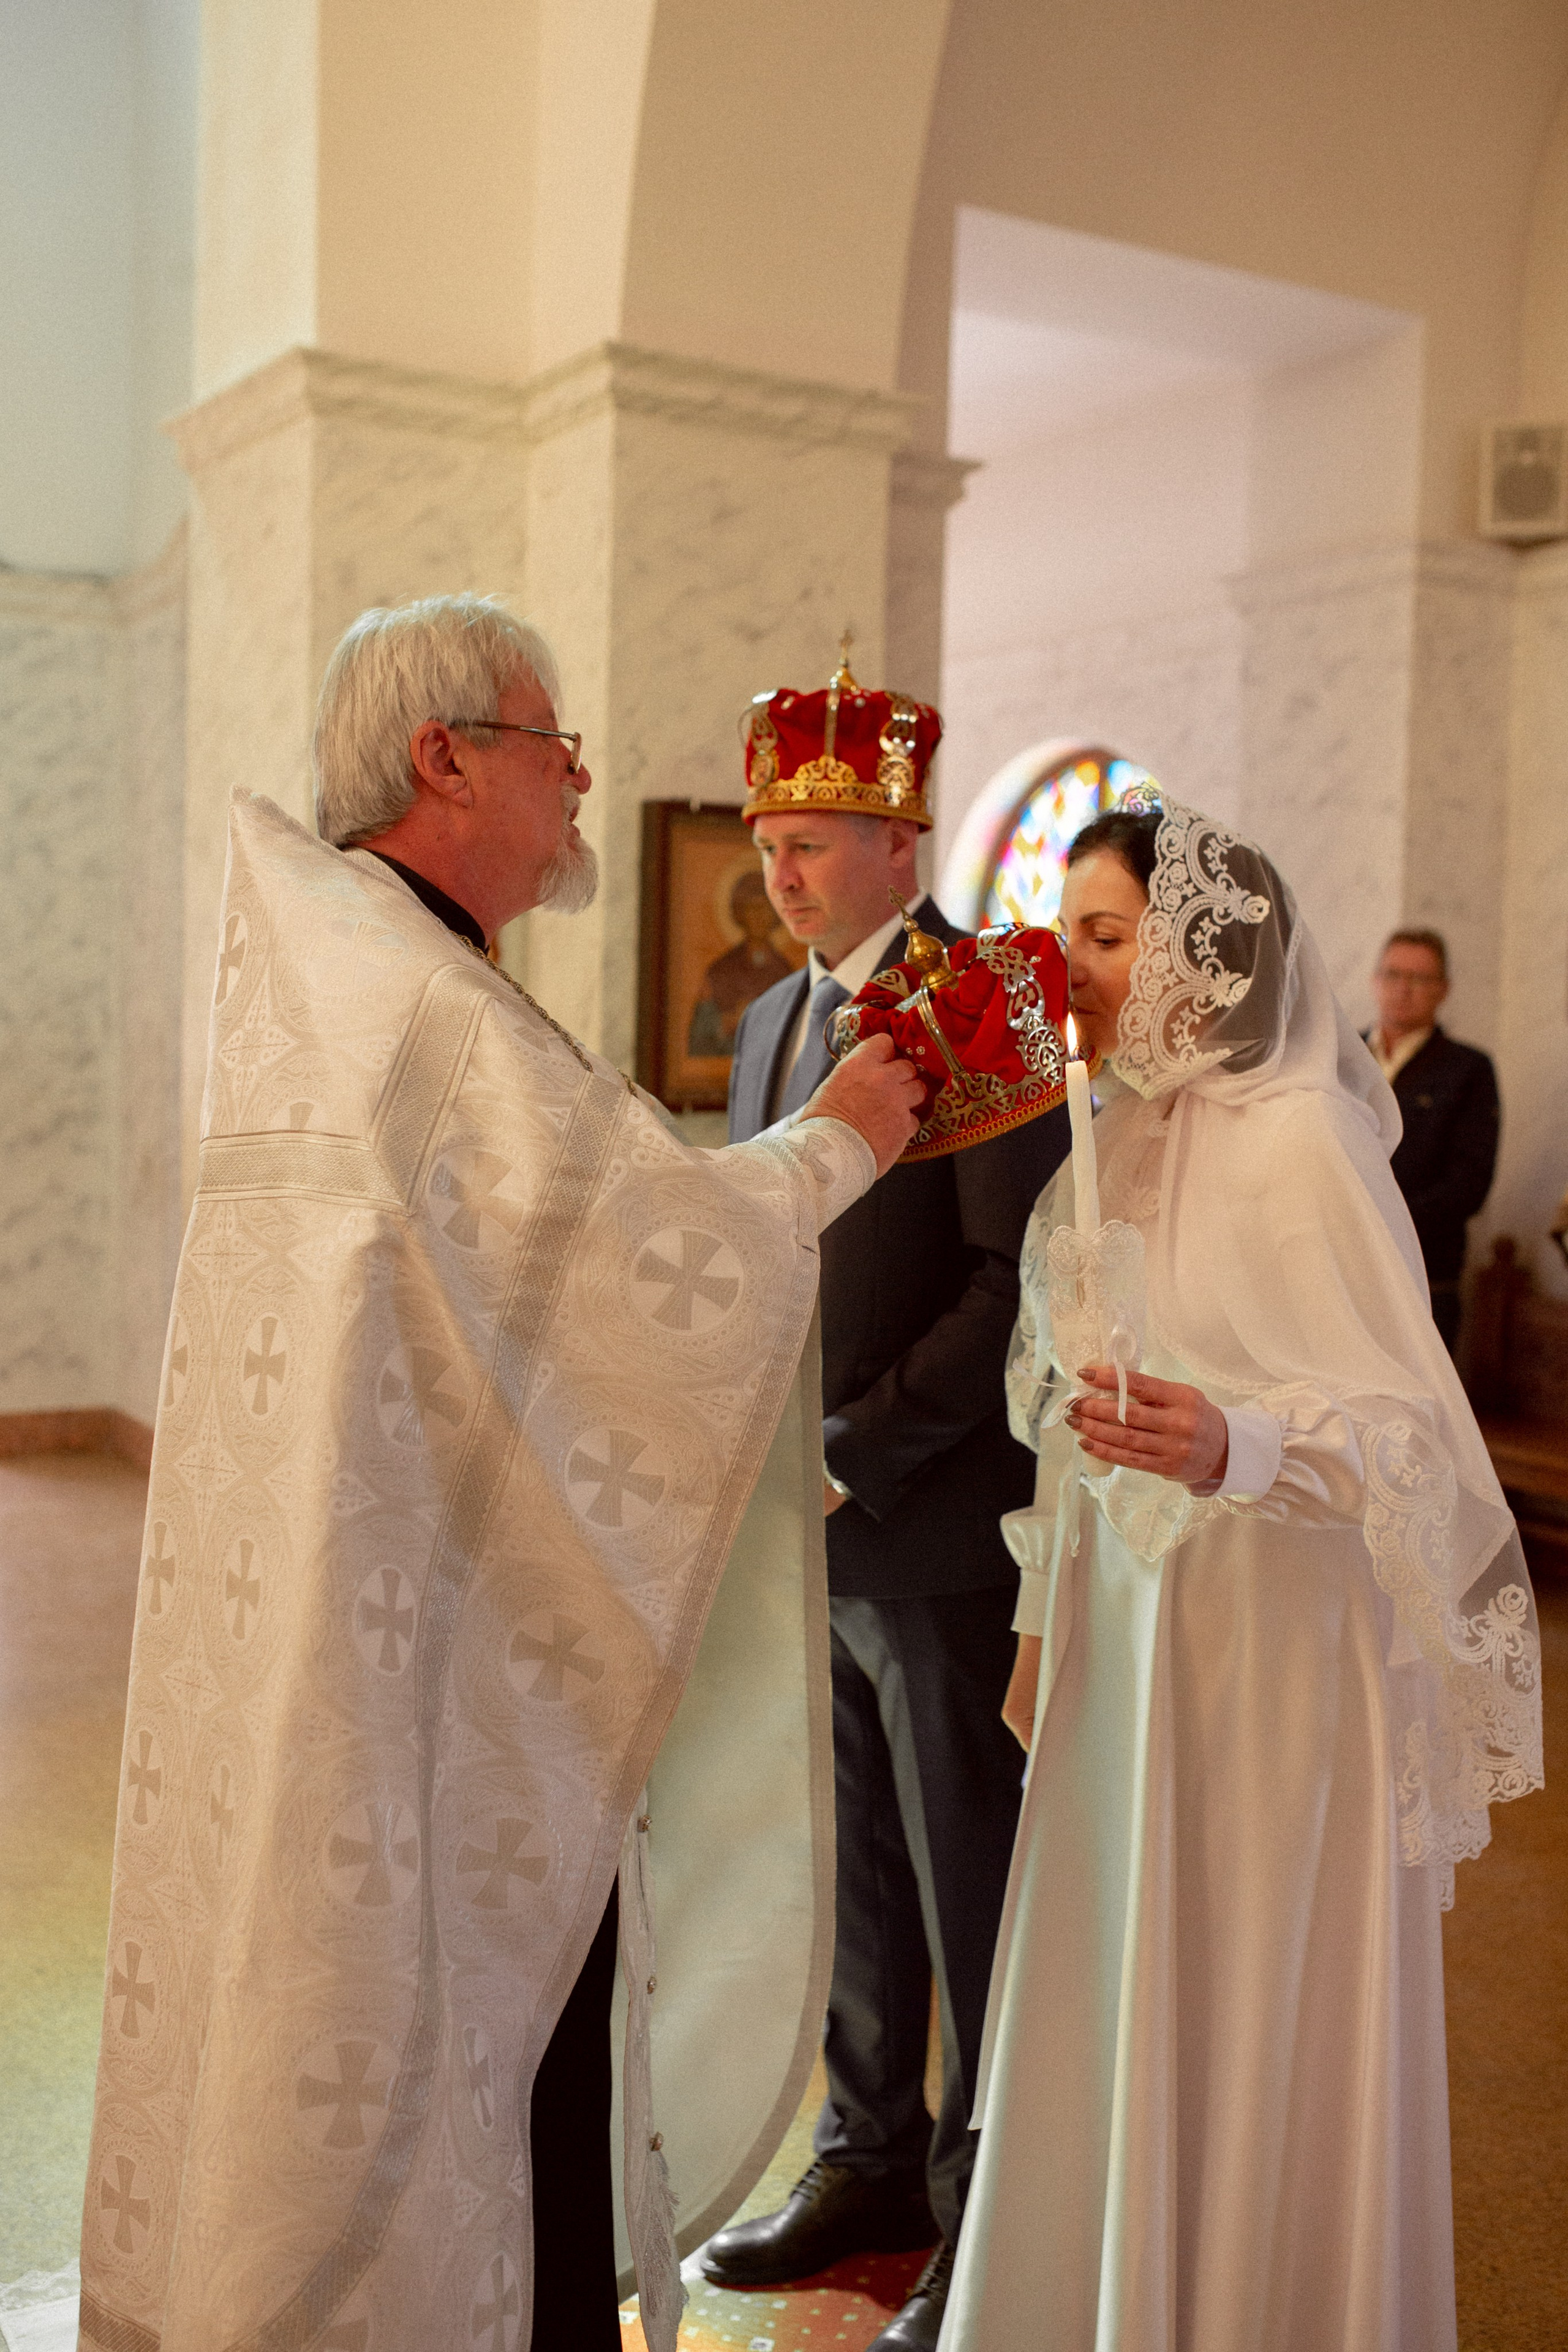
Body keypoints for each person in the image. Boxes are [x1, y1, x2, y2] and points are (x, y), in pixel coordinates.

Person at [78, 595, 924, 2352]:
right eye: (556, 745)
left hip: (376, 1629)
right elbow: (639, 1253)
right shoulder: (417, 1001)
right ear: (445, 756)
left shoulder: (357, 969)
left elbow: (524, 1314)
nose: (586, 778)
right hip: (423, 1683)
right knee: (463, 2049)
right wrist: (838, 1136)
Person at [941, 798, 1542, 2352]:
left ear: (1202, 952)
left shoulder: (1298, 1141)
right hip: (1127, 1647)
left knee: (1247, 2009)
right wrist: (1032, 1621)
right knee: (1118, 2005)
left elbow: (1413, 1436)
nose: (1064, 966)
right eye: (1062, 931)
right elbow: (1067, 1433)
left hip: (1272, 1653)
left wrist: (1235, 1444)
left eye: (1102, 933)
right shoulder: (1105, 1146)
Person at [708, 650, 1071, 2352]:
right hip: (801, 1521)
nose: (780, 870)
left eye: (813, 840)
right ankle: (859, 2157)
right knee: (848, 1856)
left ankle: (978, 2202)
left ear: (898, 834)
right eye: (771, 838)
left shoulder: (986, 995)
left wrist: (858, 1446)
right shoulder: (775, 1017)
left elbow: (1015, 1284)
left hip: (926, 1529)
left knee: (962, 1871)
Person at [1365, 927, 1500, 1352]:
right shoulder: (1335, 1054)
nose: (1403, 989)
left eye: (1420, 979)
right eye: (1393, 974)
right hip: (1335, 1270)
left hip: (1422, 1279)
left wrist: (1384, 1220)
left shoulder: (1468, 1070)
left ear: (1443, 990)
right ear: (1375, 981)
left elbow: (1469, 1184)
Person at [686, 865, 798, 1057]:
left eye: (765, 909)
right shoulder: (719, 971)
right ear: (740, 914)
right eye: (752, 908)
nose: (759, 917)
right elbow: (699, 1039)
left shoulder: (786, 971)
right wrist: (726, 1023)